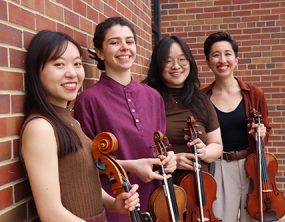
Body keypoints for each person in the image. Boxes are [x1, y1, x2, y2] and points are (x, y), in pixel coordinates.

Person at [20, 30, 140, 222]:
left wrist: (114, 204)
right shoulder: (41, 128)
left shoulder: (70, 120)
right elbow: (51, 214)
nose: (72, 73)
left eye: (77, 64)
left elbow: (80, 182)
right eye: (59, 64)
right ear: (37, 71)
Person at [74, 17, 177, 221]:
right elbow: (86, 163)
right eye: (114, 42)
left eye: (129, 42)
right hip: (118, 203)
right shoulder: (88, 100)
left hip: (159, 201)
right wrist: (130, 165)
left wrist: (170, 159)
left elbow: (163, 145)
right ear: (100, 52)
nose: (124, 48)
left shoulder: (153, 96)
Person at [144, 35, 222, 204]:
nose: (176, 66)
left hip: (199, 191)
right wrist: (173, 160)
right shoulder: (147, 98)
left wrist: (205, 152)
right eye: (168, 61)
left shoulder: (201, 100)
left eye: (182, 59)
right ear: (158, 65)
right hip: (162, 190)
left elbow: (217, 144)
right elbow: (139, 147)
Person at [202, 31, 271, 222]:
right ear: (208, 62)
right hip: (219, 168)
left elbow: (266, 130)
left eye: (227, 54)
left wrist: (262, 133)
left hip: (252, 167)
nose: (222, 60)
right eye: (216, 55)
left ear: (236, 59)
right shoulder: (202, 99)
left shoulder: (255, 94)